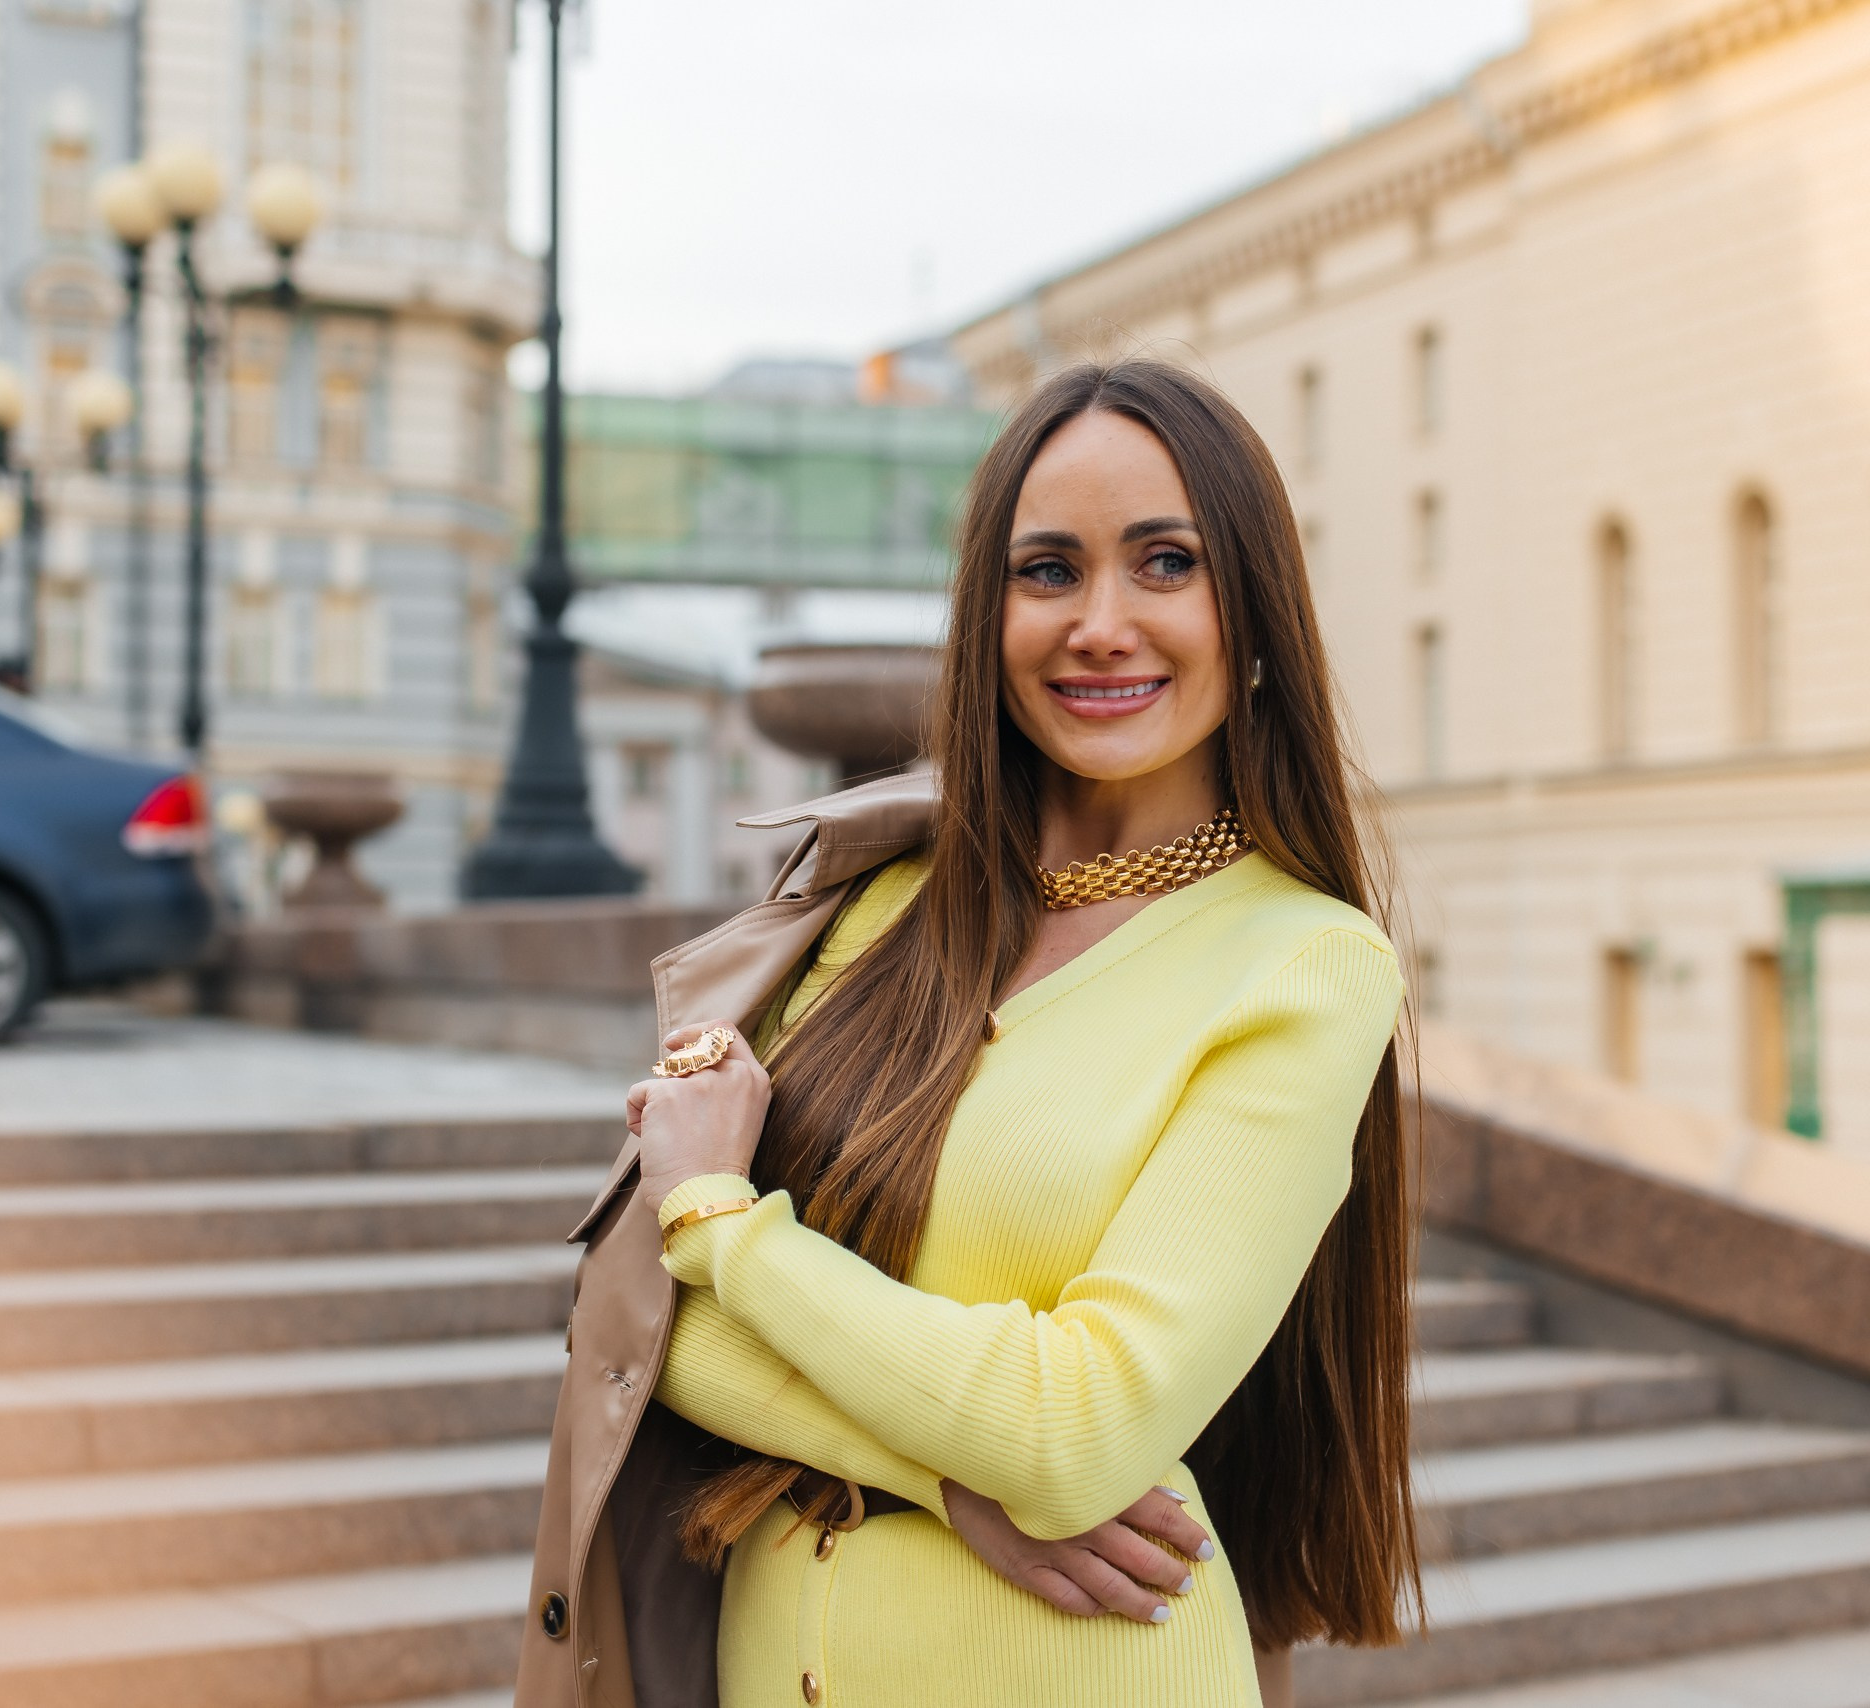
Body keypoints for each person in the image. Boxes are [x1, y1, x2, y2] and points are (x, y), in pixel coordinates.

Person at [525, 357, 1420, 1708]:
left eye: (1165, 563)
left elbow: (1076, 1435)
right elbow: (637, 1324)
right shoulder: (882, 909)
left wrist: (720, 1219)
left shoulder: (1303, 967)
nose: (1100, 623)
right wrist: (946, 1476)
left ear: (1253, 614)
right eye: (1047, 570)